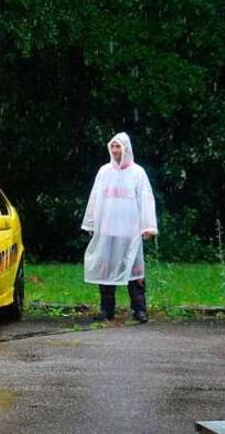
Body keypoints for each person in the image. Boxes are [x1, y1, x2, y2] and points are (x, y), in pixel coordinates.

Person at [81, 132, 158, 322]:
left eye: (119, 147)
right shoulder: (104, 172)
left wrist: (147, 226)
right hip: (107, 230)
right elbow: (95, 198)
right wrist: (91, 222)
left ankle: (139, 309)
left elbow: (146, 200)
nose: (115, 151)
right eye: (113, 147)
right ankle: (107, 310)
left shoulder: (137, 173)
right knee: (106, 269)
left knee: (134, 270)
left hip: (129, 232)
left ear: (126, 149)